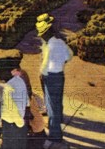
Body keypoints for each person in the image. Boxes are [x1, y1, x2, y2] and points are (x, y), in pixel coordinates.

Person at [36, 14, 73, 149]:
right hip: (59, 74)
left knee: (51, 106)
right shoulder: (60, 42)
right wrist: (59, 62)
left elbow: (44, 66)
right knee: (57, 102)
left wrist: (42, 74)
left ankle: (55, 135)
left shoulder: (49, 46)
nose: (41, 36)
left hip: (50, 77)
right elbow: (69, 56)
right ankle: (58, 122)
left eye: (42, 33)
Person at [0, 56, 28, 149]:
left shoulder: (9, 86)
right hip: (19, 124)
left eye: (0, 71)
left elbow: (11, 109)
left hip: (12, 125)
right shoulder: (19, 81)